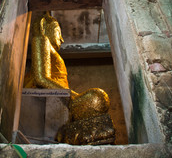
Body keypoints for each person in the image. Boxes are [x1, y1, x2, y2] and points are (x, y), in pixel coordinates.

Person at [24, 12, 115, 144]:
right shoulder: (41, 40)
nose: (62, 39)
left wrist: (71, 96)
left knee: (99, 98)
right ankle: (70, 131)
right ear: (45, 29)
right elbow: (40, 78)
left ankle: (70, 131)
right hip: (58, 97)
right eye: (58, 32)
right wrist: (70, 95)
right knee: (97, 97)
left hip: (62, 99)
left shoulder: (51, 49)